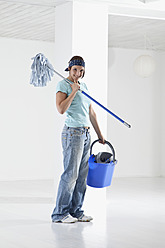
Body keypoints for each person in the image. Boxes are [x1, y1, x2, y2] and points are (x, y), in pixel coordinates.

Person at [51, 56, 105, 223]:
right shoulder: (63, 85)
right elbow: (61, 109)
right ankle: (60, 214)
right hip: (72, 133)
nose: (78, 73)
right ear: (69, 69)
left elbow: (91, 112)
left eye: (81, 70)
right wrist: (73, 91)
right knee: (70, 175)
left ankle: (76, 211)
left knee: (81, 176)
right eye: (75, 69)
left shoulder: (85, 86)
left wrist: (100, 135)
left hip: (85, 134)